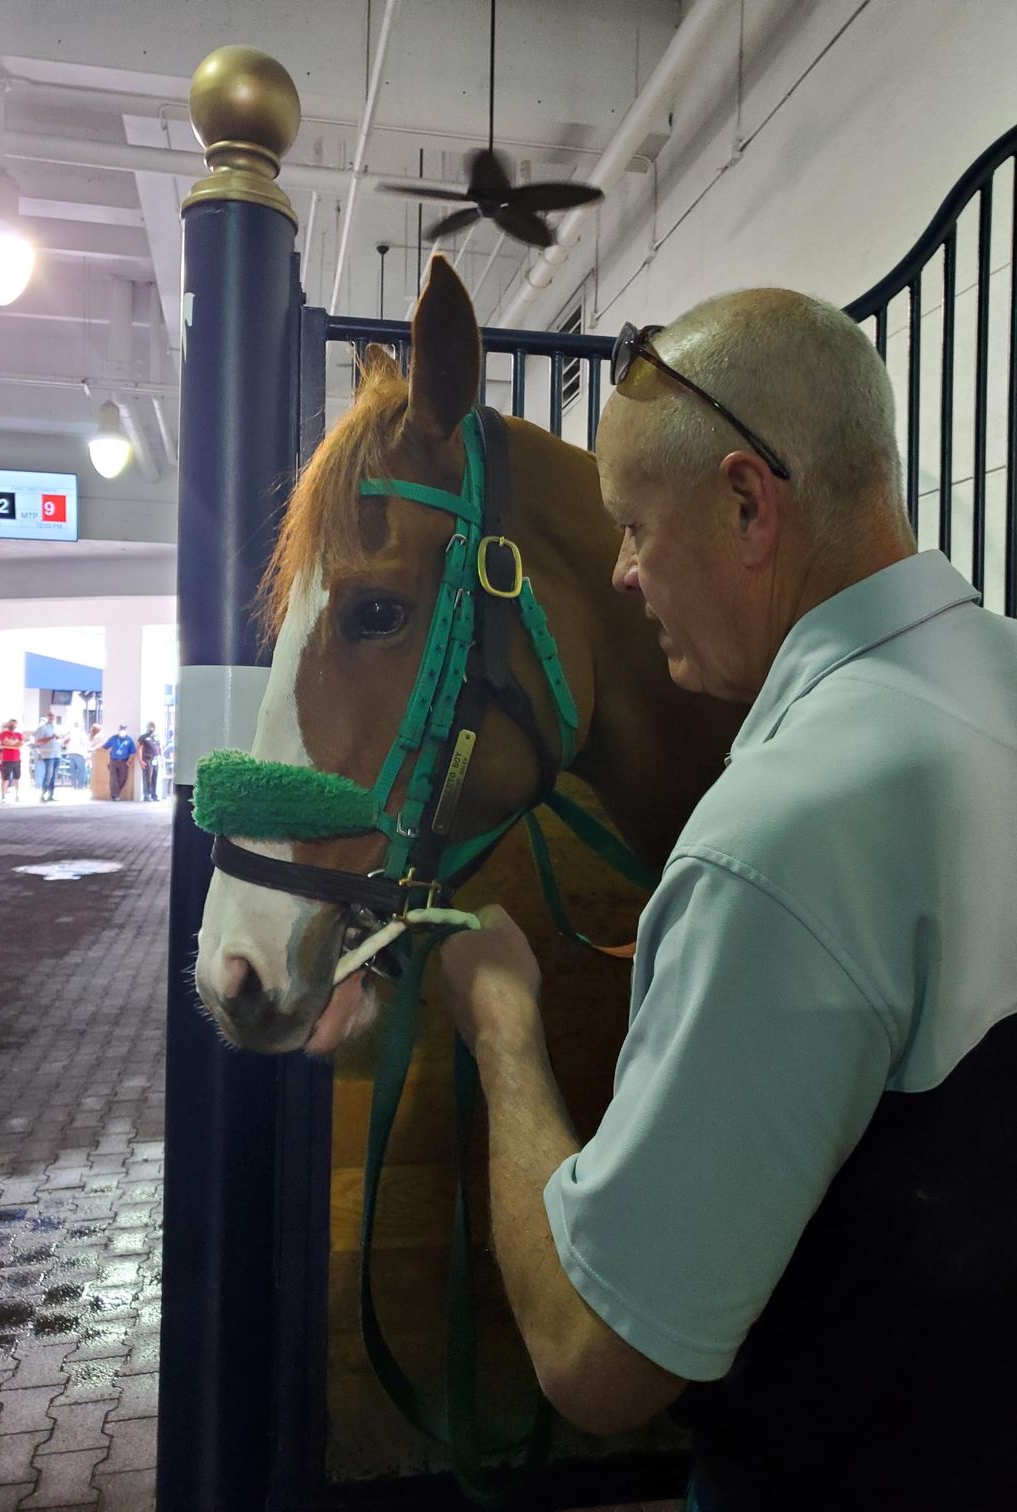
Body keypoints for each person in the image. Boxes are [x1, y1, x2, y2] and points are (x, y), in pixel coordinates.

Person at [440, 290, 1017, 1512]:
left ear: (750, 504)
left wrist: (503, 1032)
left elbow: (598, 1361)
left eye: (636, 527)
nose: (622, 573)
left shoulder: (781, 835)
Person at [33, 708, 62, 803]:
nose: (51, 717)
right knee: (48, 775)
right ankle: (42, 795)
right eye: (50, 715)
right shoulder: (42, 728)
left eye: (53, 715)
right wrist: (51, 737)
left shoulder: (58, 727)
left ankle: (51, 795)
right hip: (48, 754)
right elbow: (38, 741)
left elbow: (60, 740)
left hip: (57, 754)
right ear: (47, 716)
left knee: (54, 776)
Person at [102, 723, 137, 801]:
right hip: (113, 760)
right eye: (121, 730)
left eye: (124, 730)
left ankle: (116, 793)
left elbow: (133, 752)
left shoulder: (129, 740)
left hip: (124, 762)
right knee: (113, 779)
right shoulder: (113, 738)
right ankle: (114, 796)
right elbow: (105, 747)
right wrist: (108, 753)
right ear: (119, 730)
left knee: (123, 778)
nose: (122, 731)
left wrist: (129, 760)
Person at [0, 718, 25, 801]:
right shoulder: (3, 734)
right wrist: (15, 743)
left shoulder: (19, 734)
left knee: (17, 778)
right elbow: (5, 743)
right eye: (11, 724)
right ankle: (3, 796)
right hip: (7, 759)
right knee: (5, 778)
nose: (12, 725)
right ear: (8, 724)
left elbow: (20, 744)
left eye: (14, 724)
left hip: (17, 759)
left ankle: (17, 796)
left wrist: (12, 744)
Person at [137, 721, 161, 801]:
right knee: (147, 777)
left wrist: (161, 758)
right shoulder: (143, 737)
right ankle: (146, 795)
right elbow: (139, 749)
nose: (151, 728)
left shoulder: (156, 737)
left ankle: (154, 795)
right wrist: (140, 760)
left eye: (153, 726)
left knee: (155, 777)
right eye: (150, 726)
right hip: (147, 759)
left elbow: (160, 748)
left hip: (155, 759)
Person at [63, 723, 89, 789]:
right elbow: (85, 742)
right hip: (79, 753)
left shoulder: (71, 733)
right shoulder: (82, 733)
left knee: (73, 770)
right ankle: (80, 786)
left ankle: (74, 785)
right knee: (81, 770)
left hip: (71, 753)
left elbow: (64, 741)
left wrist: (66, 747)